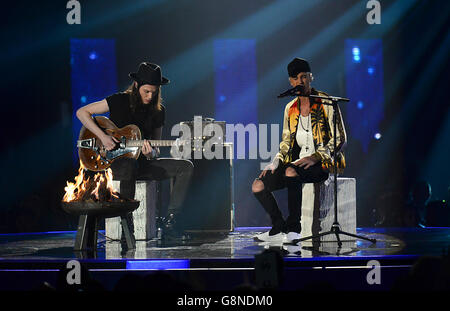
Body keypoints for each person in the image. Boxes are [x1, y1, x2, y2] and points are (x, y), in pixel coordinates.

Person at [76, 62, 193, 243]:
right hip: (118, 163)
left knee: (185, 167)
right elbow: (82, 112)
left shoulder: (158, 111)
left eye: (154, 92)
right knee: (129, 164)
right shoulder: (118, 100)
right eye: (147, 91)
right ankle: (126, 224)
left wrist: (150, 154)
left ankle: (171, 222)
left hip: (142, 163)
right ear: (137, 85)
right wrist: (103, 137)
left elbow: (154, 147)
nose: (150, 95)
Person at [252, 58, 347, 243]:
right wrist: (276, 161)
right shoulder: (290, 108)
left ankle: (294, 229)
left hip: (322, 163)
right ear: (291, 82)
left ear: (311, 77)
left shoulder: (326, 103)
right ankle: (278, 227)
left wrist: (316, 157)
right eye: (296, 78)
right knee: (258, 185)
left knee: (290, 171)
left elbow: (340, 138)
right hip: (296, 164)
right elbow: (286, 142)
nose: (300, 82)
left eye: (304, 77)